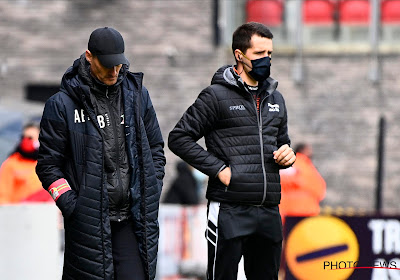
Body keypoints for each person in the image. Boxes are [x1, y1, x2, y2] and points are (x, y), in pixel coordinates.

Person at [168, 22, 296, 280]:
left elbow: (282, 142)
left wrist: (287, 155)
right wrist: (219, 170)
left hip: (268, 208)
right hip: (229, 208)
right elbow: (179, 138)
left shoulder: (276, 98)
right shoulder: (215, 96)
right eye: (259, 54)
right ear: (239, 55)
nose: (266, 60)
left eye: (269, 54)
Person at [36, 27, 165, 280]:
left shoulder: (137, 96)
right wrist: (73, 206)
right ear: (89, 56)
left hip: (132, 218)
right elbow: (48, 166)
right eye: (107, 66)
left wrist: (152, 186)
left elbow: (156, 149)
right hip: (88, 225)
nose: (114, 72)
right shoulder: (61, 104)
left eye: (118, 65)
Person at [0, 122, 52, 204]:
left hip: (43, 211)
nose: (27, 140)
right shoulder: (11, 163)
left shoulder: (47, 163)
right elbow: (3, 195)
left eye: (31, 138)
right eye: (24, 137)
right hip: (19, 211)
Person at [279, 143, 326, 223]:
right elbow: (320, 190)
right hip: (304, 212)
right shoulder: (304, 165)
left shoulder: (294, 164)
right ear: (302, 150)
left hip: (288, 212)